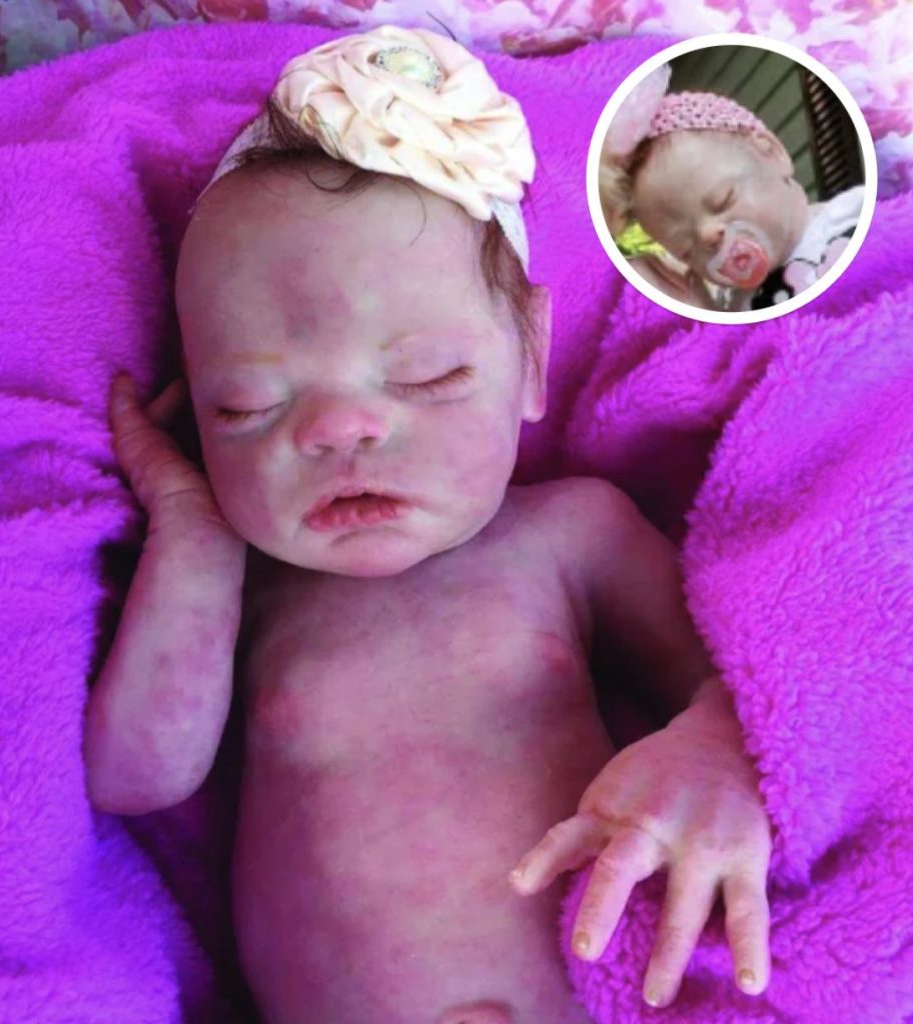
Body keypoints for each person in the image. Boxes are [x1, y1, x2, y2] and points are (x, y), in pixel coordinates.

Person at [82, 26, 773, 1023]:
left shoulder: (569, 536)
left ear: (528, 356)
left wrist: (710, 753)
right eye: (248, 405)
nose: (339, 429)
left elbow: (739, 685)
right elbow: (133, 777)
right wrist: (192, 533)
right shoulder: (252, 590)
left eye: (425, 376)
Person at [600, 63, 866, 311]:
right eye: (687, 250)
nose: (706, 235)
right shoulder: (731, 306)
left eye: (724, 199)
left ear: (772, 153)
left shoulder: (855, 215)